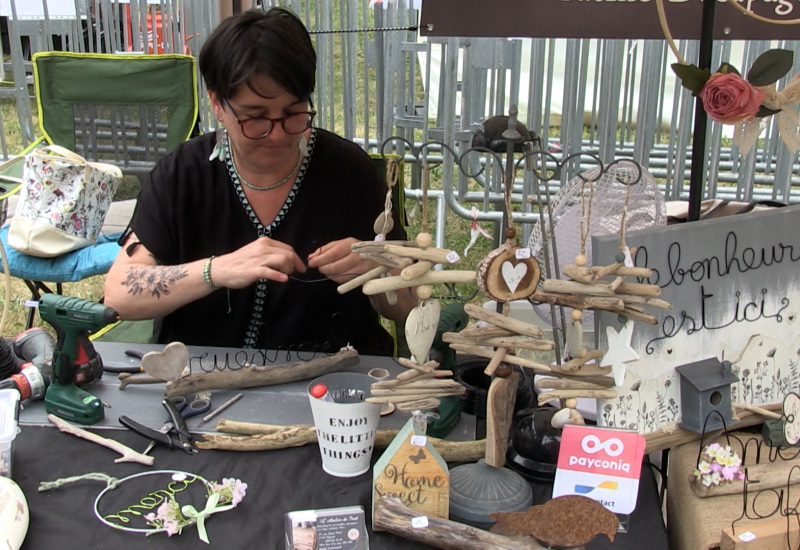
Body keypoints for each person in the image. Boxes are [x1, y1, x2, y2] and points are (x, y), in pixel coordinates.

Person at [104, 7, 414, 356]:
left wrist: (377, 271)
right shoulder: (183, 175)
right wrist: (215, 271)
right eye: (256, 118)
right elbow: (120, 294)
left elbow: (410, 305)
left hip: (331, 387)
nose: (278, 135)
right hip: (204, 383)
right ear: (218, 104)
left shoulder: (348, 171)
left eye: (295, 113)